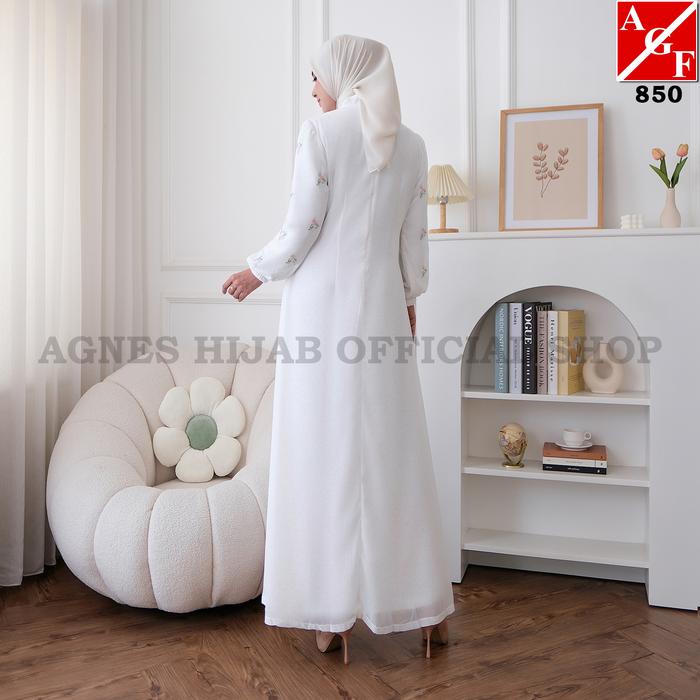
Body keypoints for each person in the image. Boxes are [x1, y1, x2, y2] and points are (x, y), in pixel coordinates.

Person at [221, 34, 454, 664]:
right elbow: (413, 242)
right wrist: (408, 296)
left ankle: (330, 612)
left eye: (316, 77)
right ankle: (424, 606)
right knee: (393, 451)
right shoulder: (412, 145)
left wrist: (255, 271)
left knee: (320, 450)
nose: (313, 90)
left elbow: (303, 226)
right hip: (382, 312)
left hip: (321, 314)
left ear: (343, 75)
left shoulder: (321, 134)